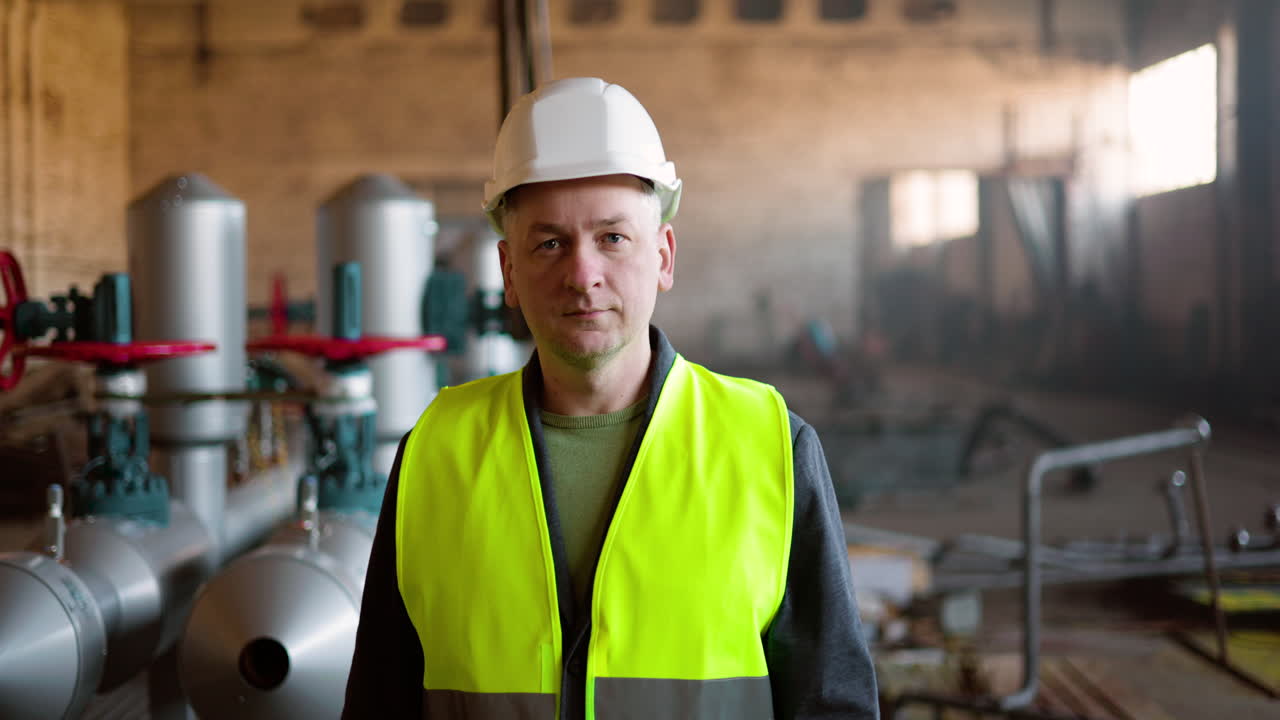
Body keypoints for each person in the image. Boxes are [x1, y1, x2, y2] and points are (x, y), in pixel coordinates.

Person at [342, 77, 879, 720]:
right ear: (508, 272)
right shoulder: (435, 453)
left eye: (612, 238)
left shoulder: (770, 446)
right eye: (550, 243)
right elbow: (378, 701)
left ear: (664, 256)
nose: (582, 274)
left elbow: (832, 705)